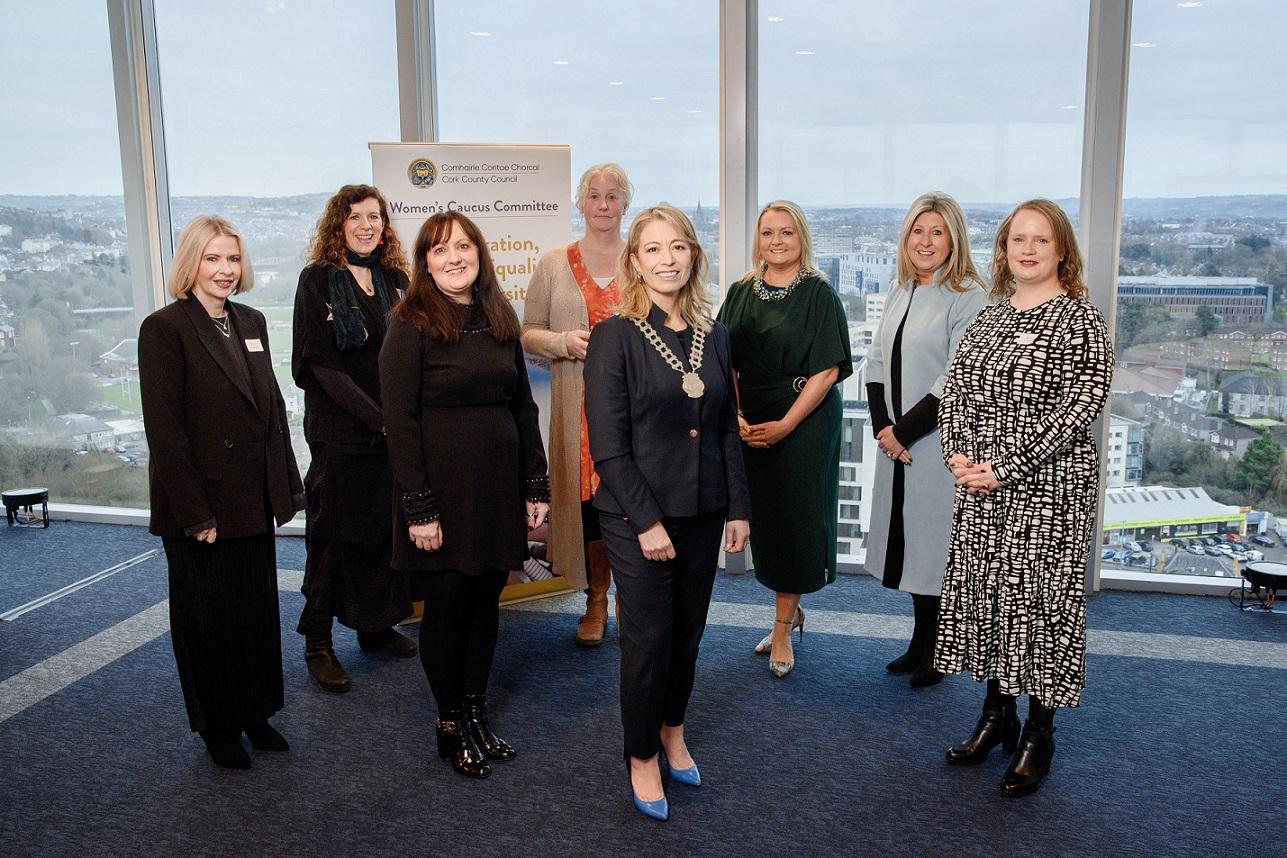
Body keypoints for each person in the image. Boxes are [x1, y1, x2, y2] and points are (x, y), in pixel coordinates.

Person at [935, 198, 1113, 797]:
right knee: (989, 600)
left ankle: (1039, 733)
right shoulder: (989, 317)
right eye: (1018, 240)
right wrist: (958, 456)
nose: (1028, 250)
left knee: (1043, 609)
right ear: (1005, 249)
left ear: (1063, 250)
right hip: (981, 489)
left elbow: (1080, 409)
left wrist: (1003, 467)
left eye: (1041, 240)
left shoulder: (1082, 322)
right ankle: (996, 716)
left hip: (1051, 490)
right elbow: (956, 393)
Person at [584, 204, 750, 821]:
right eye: (652, 249)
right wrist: (648, 523)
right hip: (635, 517)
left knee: (688, 635)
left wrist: (738, 506)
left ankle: (672, 729)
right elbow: (609, 446)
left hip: (704, 511)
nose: (667, 259)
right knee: (649, 642)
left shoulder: (714, 331)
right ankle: (641, 756)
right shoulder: (615, 335)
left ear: (694, 256)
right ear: (635, 261)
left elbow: (724, 432)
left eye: (677, 247)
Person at [379, 211, 550, 779]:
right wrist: (418, 508)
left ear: (480, 254)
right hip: (442, 497)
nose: (455, 257)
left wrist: (536, 481)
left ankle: (476, 712)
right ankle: (450, 723)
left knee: (484, 607)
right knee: (448, 612)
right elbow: (399, 423)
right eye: (441, 249)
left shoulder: (500, 315)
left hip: (496, 488)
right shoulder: (410, 323)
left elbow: (522, 406)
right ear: (425, 261)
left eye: (464, 247)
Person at [138, 215, 304, 769]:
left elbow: (272, 410)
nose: (225, 270)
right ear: (191, 265)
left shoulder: (251, 321)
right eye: (213, 259)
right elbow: (165, 431)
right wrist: (193, 513)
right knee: (208, 622)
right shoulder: (165, 329)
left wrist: (285, 490)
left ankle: (256, 713)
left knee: (255, 615)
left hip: (252, 500)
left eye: (232, 259)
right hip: (202, 507)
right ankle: (218, 727)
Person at [717, 200, 851, 678]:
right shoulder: (740, 292)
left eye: (786, 232)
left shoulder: (819, 295)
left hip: (805, 421)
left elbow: (828, 370)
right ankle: (785, 610)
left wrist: (787, 424)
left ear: (802, 239)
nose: (776, 241)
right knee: (766, 520)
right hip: (750, 421)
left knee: (795, 522)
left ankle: (781, 629)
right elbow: (723, 359)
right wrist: (734, 414)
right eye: (767, 232)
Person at [292, 184, 416, 694]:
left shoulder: (397, 280)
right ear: (337, 224)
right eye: (356, 217)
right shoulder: (316, 281)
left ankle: (375, 626)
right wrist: (378, 418)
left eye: (375, 217)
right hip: (341, 435)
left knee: (384, 534)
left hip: (390, 438)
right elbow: (319, 367)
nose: (367, 225)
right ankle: (318, 643)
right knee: (334, 538)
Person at [864, 193, 988, 687]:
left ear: (954, 238)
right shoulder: (903, 288)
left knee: (934, 547)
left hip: (937, 444)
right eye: (919, 231)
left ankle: (938, 651)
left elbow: (957, 380)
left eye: (937, 232)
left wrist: (902, 433)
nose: (926, 241)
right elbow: (875, 362)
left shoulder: (970, 296)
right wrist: (882, 428)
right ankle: (921, 643)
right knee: (911, 545)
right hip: (899, 441)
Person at [522, 163, 632, 646]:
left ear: (625, 203)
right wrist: (563, 340)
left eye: (612, 196)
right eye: (594, 196)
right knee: (588, 511)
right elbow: (526, 333)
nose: (603, 205)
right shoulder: (552, 263)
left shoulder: (643, 259)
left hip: (632, 411)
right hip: (575, 414)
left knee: (631, 505)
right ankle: (596, 601)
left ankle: (633, 599)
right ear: (581, 203)